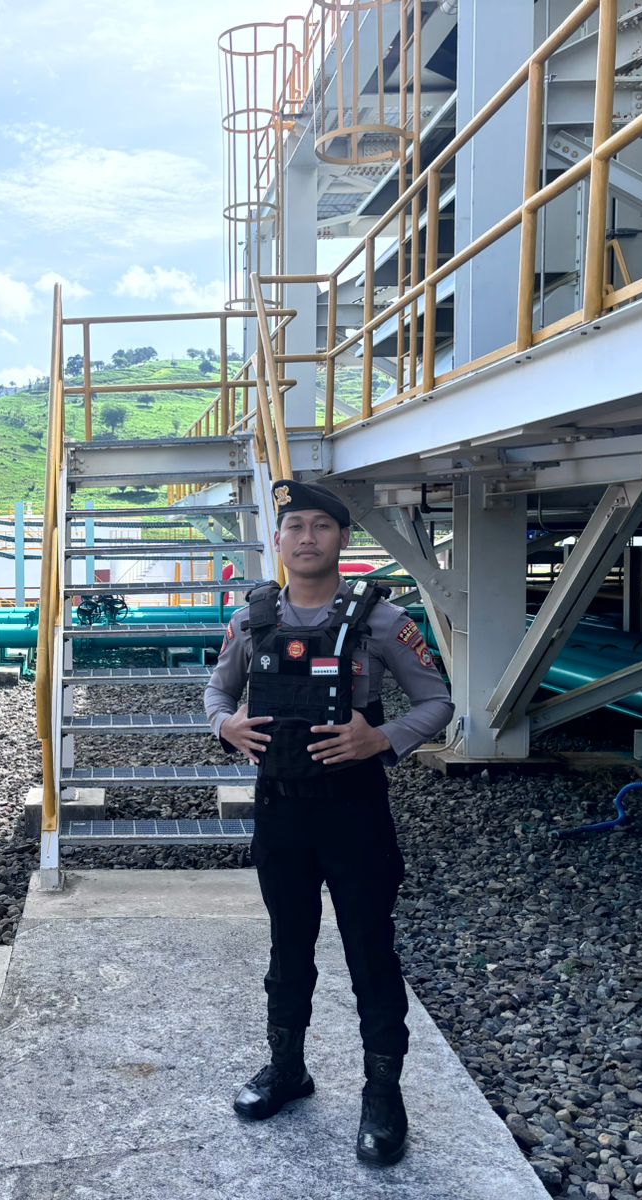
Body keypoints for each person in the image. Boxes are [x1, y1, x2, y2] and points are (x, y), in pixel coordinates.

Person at [203, 479, 454, 1165]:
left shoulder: (382, 621)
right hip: (280, 811)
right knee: (288, 948)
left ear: (343, 538)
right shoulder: (250, 620)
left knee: (371, 951)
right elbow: (218, 689)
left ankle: (383, 1095)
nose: (307, 537)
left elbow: (437, 702)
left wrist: (383, 738)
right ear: (279, 539)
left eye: (321, 526)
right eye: (296, 526)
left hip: (354, 811)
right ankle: (287, 1069)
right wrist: (225, 725)